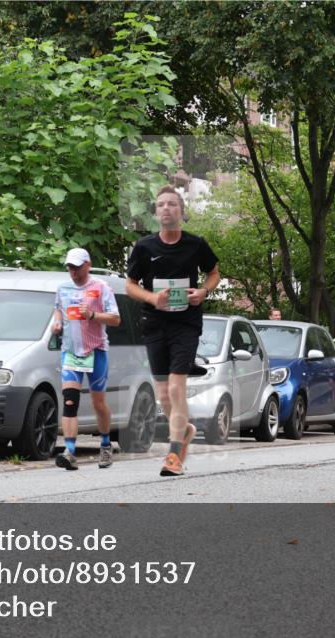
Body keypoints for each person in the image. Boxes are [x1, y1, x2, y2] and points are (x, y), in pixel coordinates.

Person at [127, 185, 220, 476]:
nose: (166, 208)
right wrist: (153, 298)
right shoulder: (144, 247)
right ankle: (185, 429)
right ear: (156, 212)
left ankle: (174, 454)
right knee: (164, 395)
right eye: (161, 205)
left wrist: (203, 291)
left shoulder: (195, 244)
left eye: (172, 204)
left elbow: (214, 272)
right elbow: (130, 285)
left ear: (181, 211)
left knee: (178, 387)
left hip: (186, 324)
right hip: (155, 324)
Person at [50, 248, 121, 470]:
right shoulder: (62, 288)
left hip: (95, 350)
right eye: (70, 267)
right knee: (70, 401)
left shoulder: (101, 287)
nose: (73, 272)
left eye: (77, 267)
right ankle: (69, 452)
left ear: (87, 265)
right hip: (70, 351)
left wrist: (92, 315)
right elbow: (58, 310)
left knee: (98, 403)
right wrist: (57, 322)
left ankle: (105, 445)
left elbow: (115, 319)